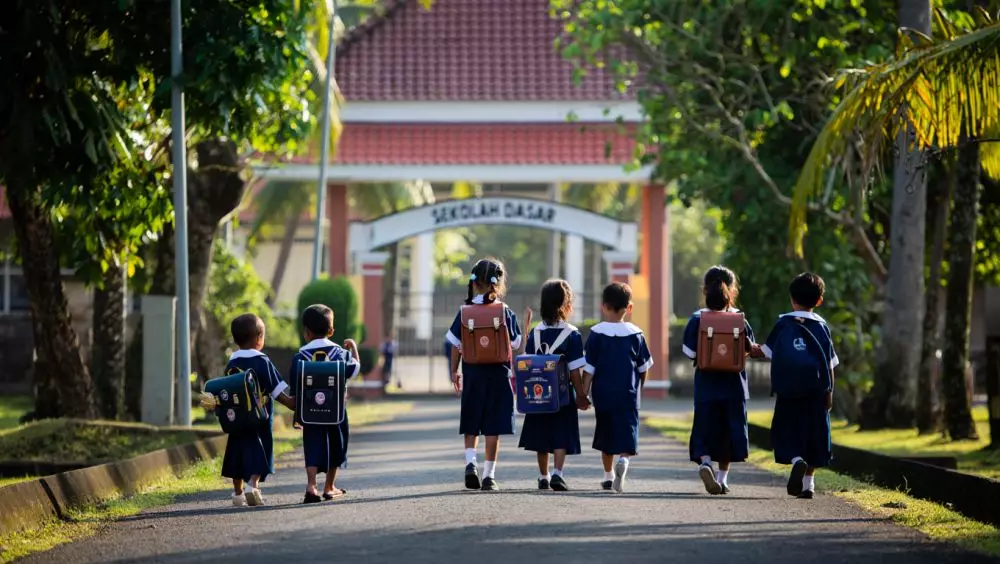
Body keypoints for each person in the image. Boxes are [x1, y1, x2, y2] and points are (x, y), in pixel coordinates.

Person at [446, 258, 527, 491]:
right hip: (499, 375)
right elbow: (515, 342)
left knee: (472, 422)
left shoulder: (465, 312)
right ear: (498, 283)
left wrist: (454, 371)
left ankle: (471, 463)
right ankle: (489, 475)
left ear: (474, 282)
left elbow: (454, 344)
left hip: (473, 374)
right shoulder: (505, 312)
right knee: (493, 426)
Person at [682, 266, 764, 495]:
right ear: (733, 290)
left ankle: (705, 461)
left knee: (705, 427)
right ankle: (723, 478)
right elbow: (749, 349)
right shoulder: (739, 319)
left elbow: (689, 353)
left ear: (705, 290)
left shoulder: (698, 319)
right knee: (729, 430)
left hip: (706, 385)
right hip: (734, 385)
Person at [761, 272, 838, 500]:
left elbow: (767, 353)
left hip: (787, 391)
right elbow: (830, 364)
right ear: (819, 300)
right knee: (814, 435)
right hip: (816, 391)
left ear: (792, 298)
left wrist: (752, 349)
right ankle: (808, 484)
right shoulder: (822, 328)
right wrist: (830, 392)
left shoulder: (783, 323)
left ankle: (796, 460)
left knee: (786, 431)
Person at [518, 279, 590, 491]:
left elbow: (528, 362)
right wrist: (581, 394)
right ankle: (558, 473)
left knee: (541, 436)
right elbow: (575, 370)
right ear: (566, 305)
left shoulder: (536, 331)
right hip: (561, 394)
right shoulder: (572, 334)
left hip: (537, 392)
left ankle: (543, 475)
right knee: (561, 434)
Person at [581, 282, 652, 493]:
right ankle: (624, 459)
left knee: (606, 432)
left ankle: (608, 475)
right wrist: (639, 387)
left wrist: (583, 394)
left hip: (602, 393)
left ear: (603, 306)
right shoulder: (636, 335)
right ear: (628, 308)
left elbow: (589, 370)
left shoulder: (596, 334)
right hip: (628, 393)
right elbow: (644, 367)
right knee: (627, 430)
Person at [222, 313, 296, 507]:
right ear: (259, 338)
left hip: (236, 419)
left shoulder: (232, 363)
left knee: (236, 451)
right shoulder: (262, 361)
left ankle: (237, 493)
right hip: (259, 418)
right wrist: (291, 403)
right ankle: (252, 485)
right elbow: (277, 390)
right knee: (261, 449)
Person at [289, 304, 360, 504]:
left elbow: (295, 386)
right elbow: (354, 370)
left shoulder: (299, 357)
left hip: (310, 413)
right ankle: (330, 486)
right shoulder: (340, 353)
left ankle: (311, 486)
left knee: (312, 445)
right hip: (336, 412)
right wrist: (353, 348)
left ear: (306, 332)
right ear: (331, 331)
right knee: (337, 445)